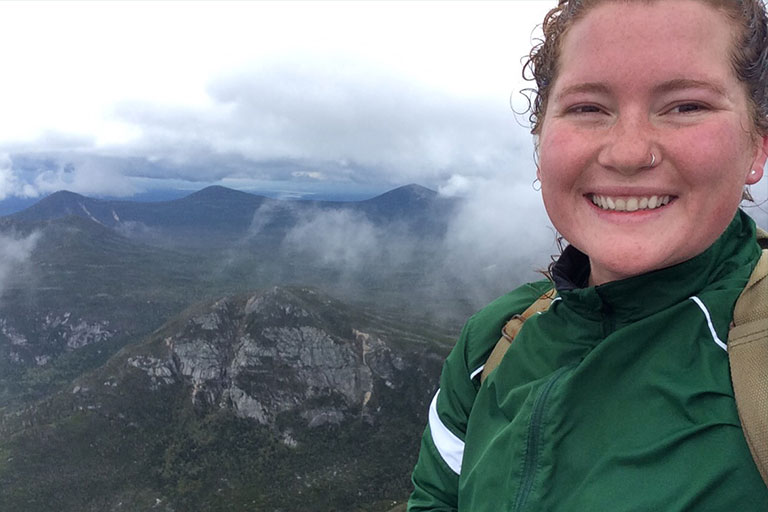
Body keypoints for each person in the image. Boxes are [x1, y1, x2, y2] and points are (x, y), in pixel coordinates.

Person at [407, 0, 768, 510]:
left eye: (686, 106)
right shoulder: (491, 343)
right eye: (587, 108)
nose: (627, 152)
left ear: (757, 144)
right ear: (540, 139)